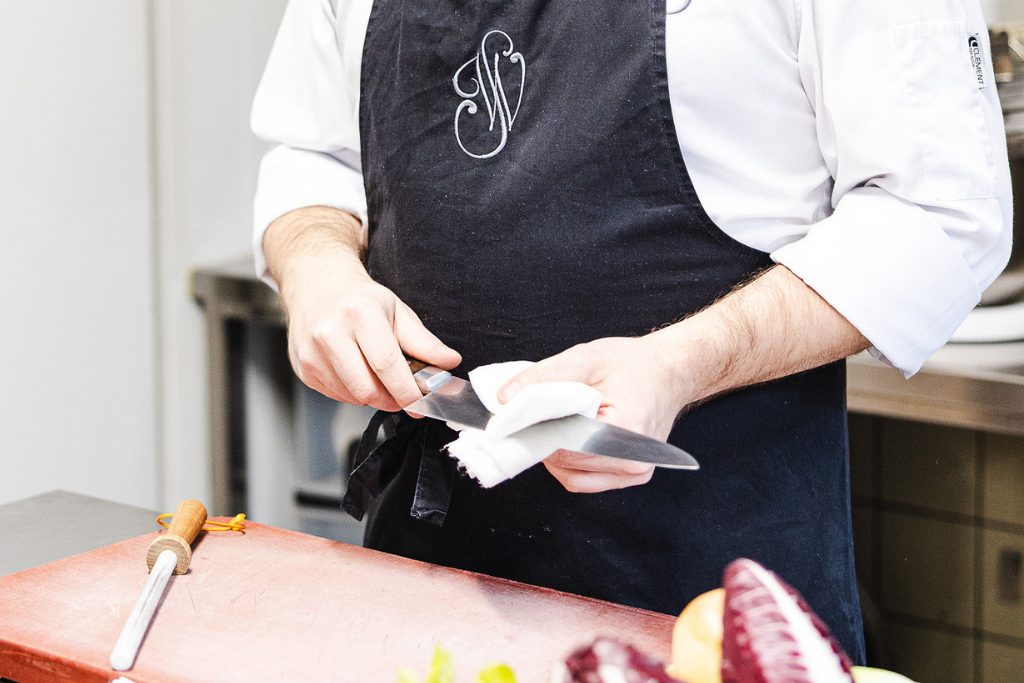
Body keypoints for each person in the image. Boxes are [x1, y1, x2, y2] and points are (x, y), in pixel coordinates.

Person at [251, 0, 1011, 661]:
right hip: (425, 579)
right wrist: (316, 263)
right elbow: (312, 153)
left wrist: (680, 363)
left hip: (700, 595)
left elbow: (939, 215)